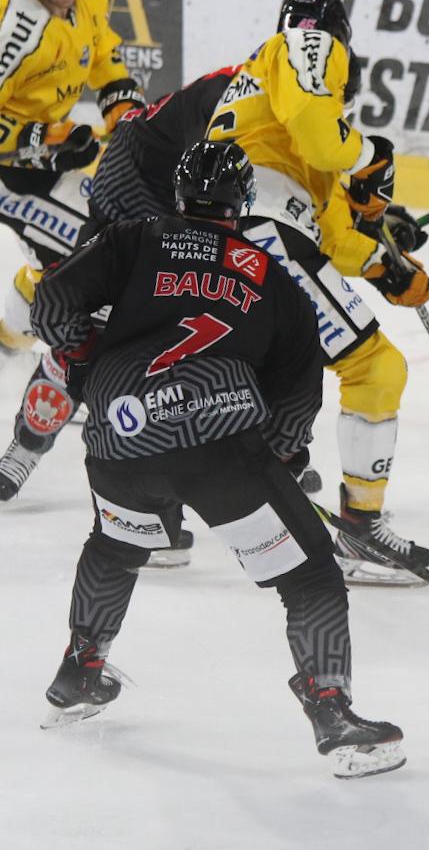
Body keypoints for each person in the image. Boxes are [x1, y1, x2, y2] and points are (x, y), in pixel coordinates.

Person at [31, 140, 404, 778]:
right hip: (219, 445)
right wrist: (282, 458)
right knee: (310, 574)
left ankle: (79, 672)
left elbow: (52, 305)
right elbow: (297, 391)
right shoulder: (274, 279)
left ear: (178, 195)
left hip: (119, 438)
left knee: (116, 546)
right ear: (245, 202)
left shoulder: (134, 239)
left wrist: (89, 361)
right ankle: (332, 713)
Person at [204, 0, 429, 586]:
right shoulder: (308, 43)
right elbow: (318, 132)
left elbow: (326, 237)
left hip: (229, 238)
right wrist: (369, 155)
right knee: (375, 369)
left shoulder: (269, 105)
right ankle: (360, 529)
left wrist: (385, 267)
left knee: (265, 378)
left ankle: (203, 497)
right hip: (261, 235)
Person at [0, 0, 144, 494]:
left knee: (83, 267)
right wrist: (45, 139)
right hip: (9, 176)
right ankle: (26, 446)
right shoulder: (15, 27)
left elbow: (107, 62)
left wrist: (129, 122)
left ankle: (9, 333)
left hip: (47, 168)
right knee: (87, 280)